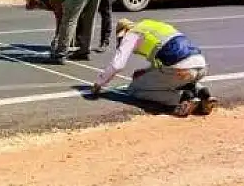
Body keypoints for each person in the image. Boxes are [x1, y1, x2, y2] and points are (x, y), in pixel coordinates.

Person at [89, 18, 218, 117]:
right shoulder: (150, 27)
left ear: (123, 32)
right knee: (177, 78)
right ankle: (203, 94)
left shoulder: (131, 34)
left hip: (179, 69)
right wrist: (146, 72)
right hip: (200, 66)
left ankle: (183, 98)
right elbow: (162, 58)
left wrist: (99, 83)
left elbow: (118, 65)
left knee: (135, 89)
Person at [24, 0, 103, 62]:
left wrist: (57, 37)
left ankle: (60, 54)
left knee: (69, 19)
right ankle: (84, 51)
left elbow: (60, 15)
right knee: (89, 18)